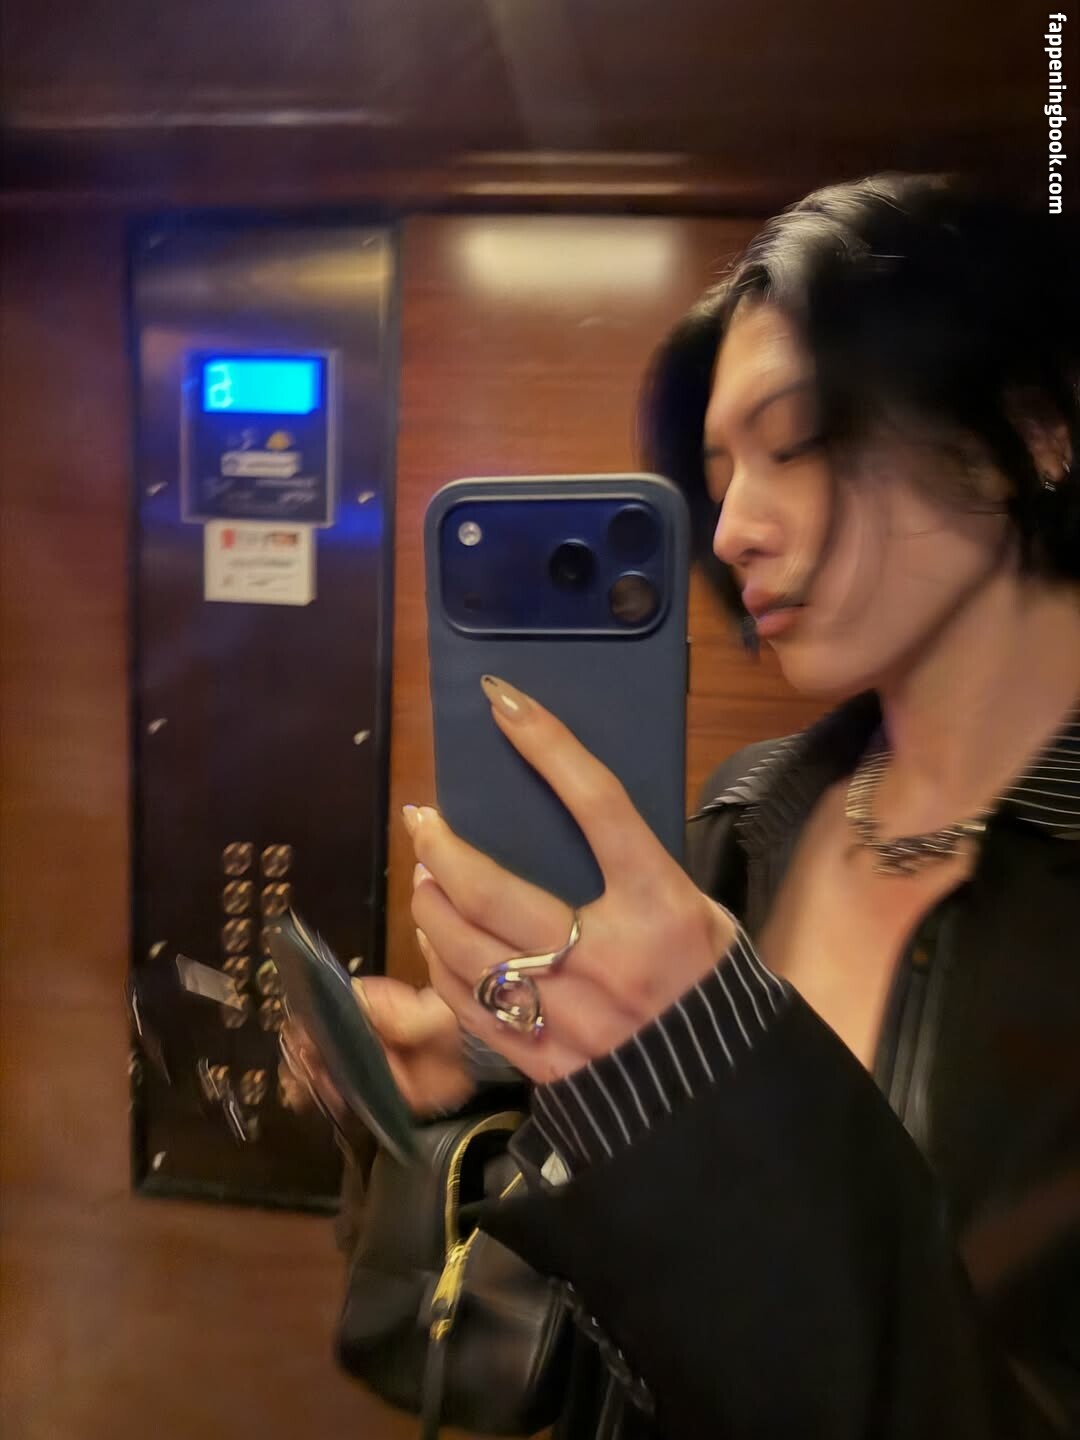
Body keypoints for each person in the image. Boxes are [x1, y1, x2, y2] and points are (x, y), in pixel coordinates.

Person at [287, 173, 1080, 1437]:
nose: (734, 529)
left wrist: (697, 1072)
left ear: (1032, 431)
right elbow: (601, 1345)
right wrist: (471, 1101)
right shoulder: (741, 826)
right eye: (717, 476)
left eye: (797, 441)